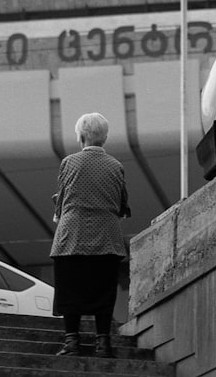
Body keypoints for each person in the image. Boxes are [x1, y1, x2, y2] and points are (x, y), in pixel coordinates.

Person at [50, 112, 131, 358]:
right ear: (104, 138)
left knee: (69, 289)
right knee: (103, 292)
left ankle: (72, 343)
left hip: (72, 237)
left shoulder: (69, 163)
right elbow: (121, 204)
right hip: (107, 238)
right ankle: (103, 343)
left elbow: (62, 200)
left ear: (81, 136)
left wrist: (60, 208)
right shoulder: (116, 166)